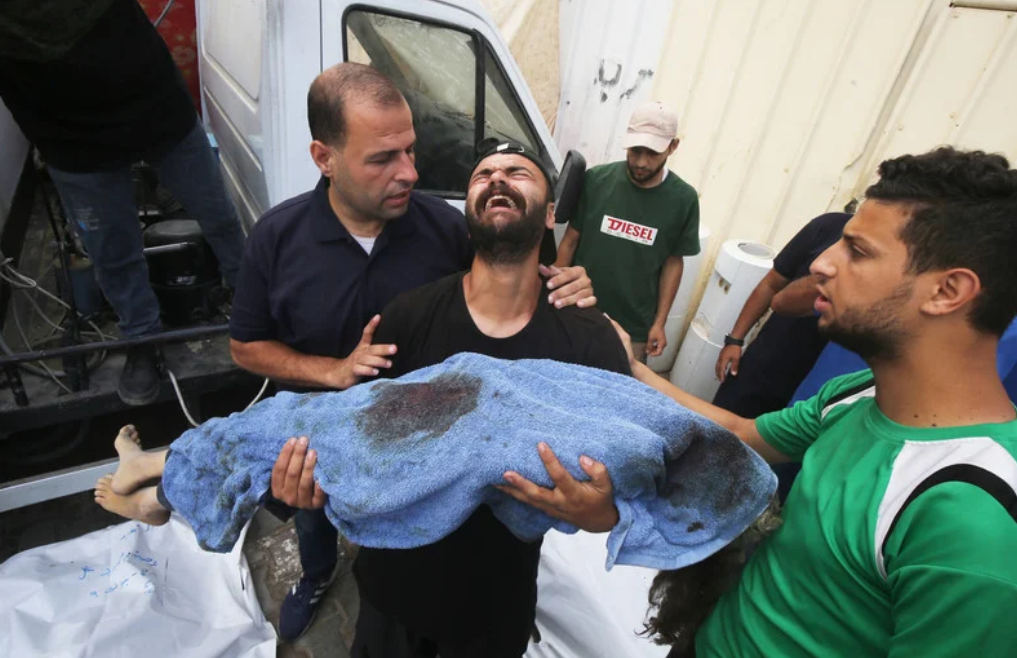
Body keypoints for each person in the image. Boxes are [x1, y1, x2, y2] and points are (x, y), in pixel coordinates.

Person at [502, 147, 1017, 656]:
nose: (822, 263)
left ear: (948, 291)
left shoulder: (972, 522)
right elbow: (743, 433)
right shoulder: (857, 397)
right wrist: (630, 365)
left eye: (857, 251)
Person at [227, 63, 597, 642]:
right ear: (324, 157)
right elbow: (245, 347)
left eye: (410, 151)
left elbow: (505, 276)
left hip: (418, 446)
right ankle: (319, 576)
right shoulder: (276, 239)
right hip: (320, 443)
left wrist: (564, 286)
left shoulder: (444, 230)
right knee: (314, 515)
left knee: (405, 560)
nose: (409, 173)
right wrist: (332, 371)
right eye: (383, 159)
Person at [270, 139, 630, 657]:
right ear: (469, 213)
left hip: (493, 608)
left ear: (551, 213)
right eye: (484, 174)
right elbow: (357, 445)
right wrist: (313, 486)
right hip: (391, 595)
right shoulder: (408, 318)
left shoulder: (588, 341)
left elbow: (623, 482)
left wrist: (600, 513)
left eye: (518, 172)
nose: (499, 178)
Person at [0, 0, 246, 405]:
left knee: (218, 215)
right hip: (67, 135)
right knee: (113, 251)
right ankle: (142, 339)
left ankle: (252, 305)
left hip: (153, 103)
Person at [554, 101, 700, 361]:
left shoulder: (684, 199)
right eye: (635, 150)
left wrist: (659, 322)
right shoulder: (597, 181)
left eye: (653, 153)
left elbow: (673, 263)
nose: (641, 162)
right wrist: (552, 295)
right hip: (578, 309)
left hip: (633, 329)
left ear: (673, 146)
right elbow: (570, 240)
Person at [712, 212, 850, 417]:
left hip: (817, 396)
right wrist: (735, 339)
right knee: (717, 427)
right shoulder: (828, 227)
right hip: (765, 366)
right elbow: (771, 285)